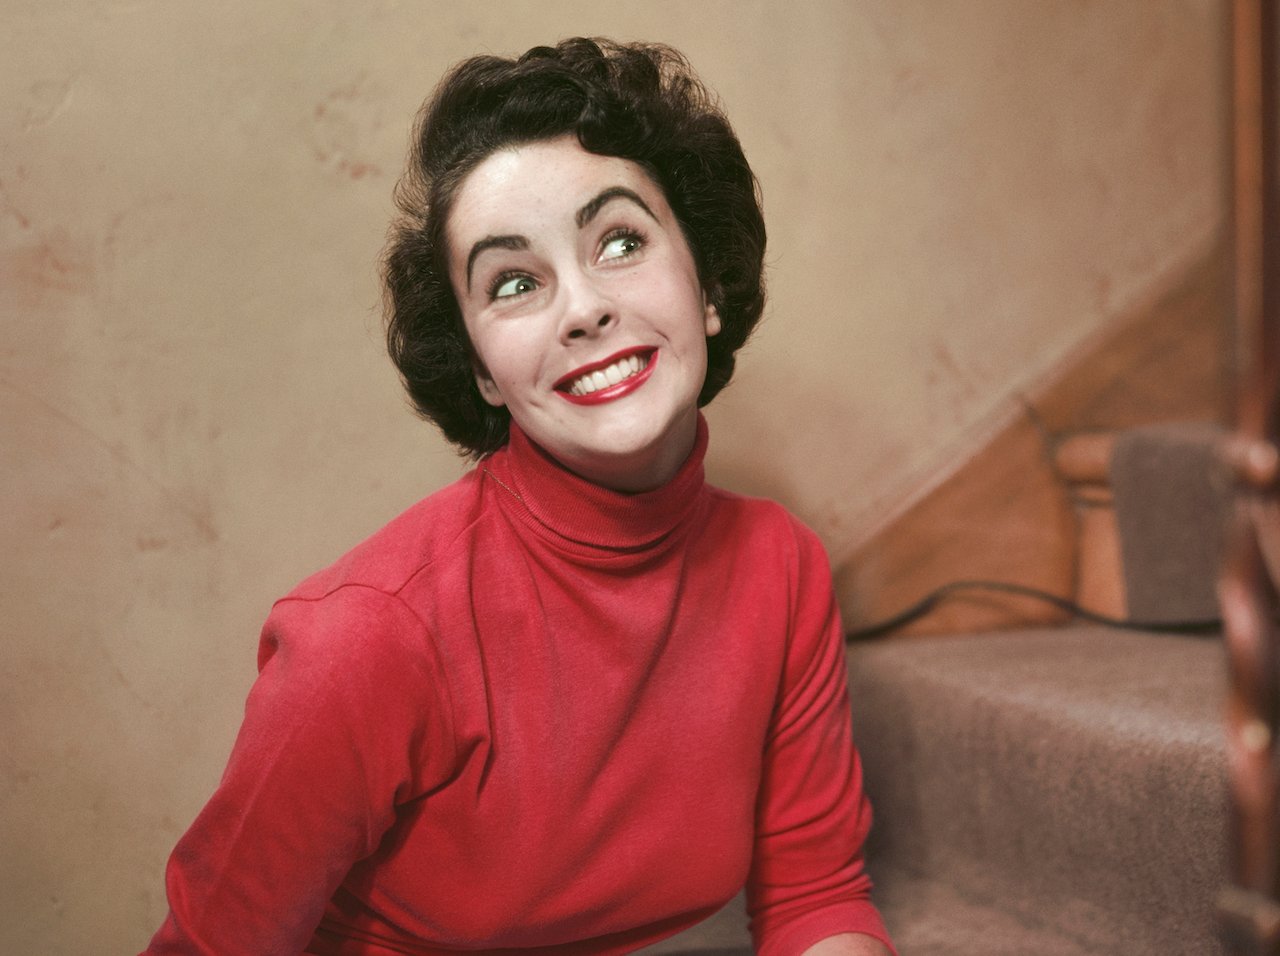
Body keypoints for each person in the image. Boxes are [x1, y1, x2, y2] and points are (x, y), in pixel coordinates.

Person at [143, 37, 895, 956]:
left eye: (620, 241)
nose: (582, 308)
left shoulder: (782, 569)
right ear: (486, 375)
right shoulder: (368, 638)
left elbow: (816, 897)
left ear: (707, 286)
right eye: (514, 283)